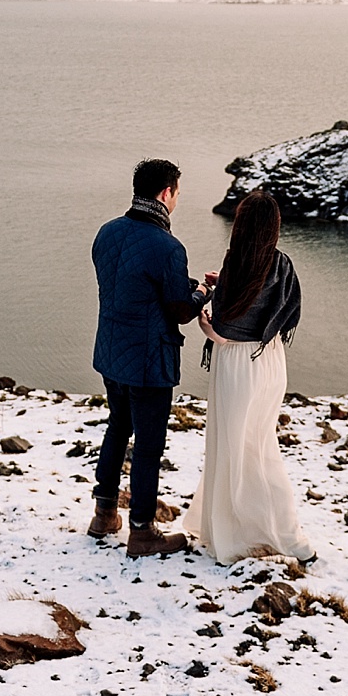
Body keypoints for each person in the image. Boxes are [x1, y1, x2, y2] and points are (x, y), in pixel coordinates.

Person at [183, 189, 315, 565]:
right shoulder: (282, 263)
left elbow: (225, 330)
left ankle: (275, 534)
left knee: (237, 448)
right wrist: (225, 284)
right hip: (270, 360)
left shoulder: (236, 262)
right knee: (258, 443)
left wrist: (206, 318)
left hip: (238, 364)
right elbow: (281, 311)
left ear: (240, 226)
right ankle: (261, 527)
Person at [87, 158, 202, 558]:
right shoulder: (168, 246)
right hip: (149, 360)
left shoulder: (108, 232)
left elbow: (130, 284)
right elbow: (179, 311)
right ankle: (142, 531)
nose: (177, 201)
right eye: (177, 194)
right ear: (166, 192)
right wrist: (202, 294)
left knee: (118, 427)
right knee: (149, 445)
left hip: (112, 350)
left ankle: (104, 513)